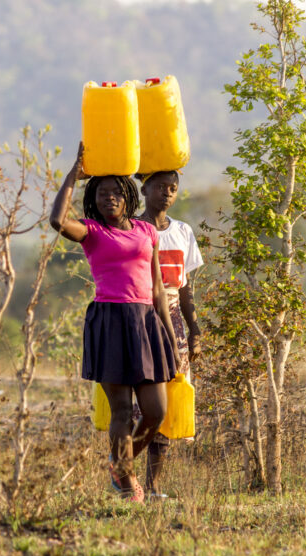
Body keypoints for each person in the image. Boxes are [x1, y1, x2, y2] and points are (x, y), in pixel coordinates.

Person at [50, 143, 179, 503]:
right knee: (121, 410)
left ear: (127, 196)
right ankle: (125, 481)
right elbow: (58, 221)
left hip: (147, 322)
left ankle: (118, 464)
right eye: (102, 194)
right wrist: (73, 177)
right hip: (110, 320)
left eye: (115, 193)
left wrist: (170, 339)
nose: (108, 199)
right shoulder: (91, 231)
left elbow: (157, 289)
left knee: (156, 412)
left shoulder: (146, 231)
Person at [136, 170, 203, 498]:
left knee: (171, 396)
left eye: (173, 188)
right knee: (143, 401)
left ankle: (153, 486)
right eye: (160, 186)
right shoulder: (132, 229)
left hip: (174, 321)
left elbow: (186, 289)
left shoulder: (182, 232)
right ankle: (123, 475)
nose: (167, 193)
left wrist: (194, 331)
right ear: (144, 187)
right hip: (139, 317)